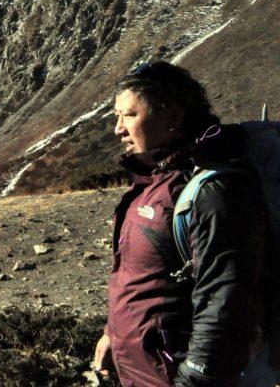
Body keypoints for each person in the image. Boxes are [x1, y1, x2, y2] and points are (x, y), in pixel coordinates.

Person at [94, 61, 270, 387]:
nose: (118, 128)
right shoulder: (153, 183)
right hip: (146, 370)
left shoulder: (215, 192)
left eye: (129, 115)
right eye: (117, 116)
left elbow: (225, 303)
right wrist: (112, 335)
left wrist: (194, 380)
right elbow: (142, 278)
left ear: (173, 119)